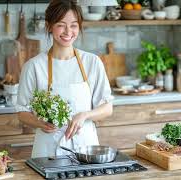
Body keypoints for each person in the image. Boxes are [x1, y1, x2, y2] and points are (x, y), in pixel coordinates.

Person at [16, 0, 113, 158]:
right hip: (47, 149)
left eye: (74, 25)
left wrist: (84, 115)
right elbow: (22, 112)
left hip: (86, 148)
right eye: (61, 24)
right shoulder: (33, 66)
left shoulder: (92, 62)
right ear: (49, 26)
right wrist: (41, 123)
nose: (68, 31)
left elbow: (107, 108)